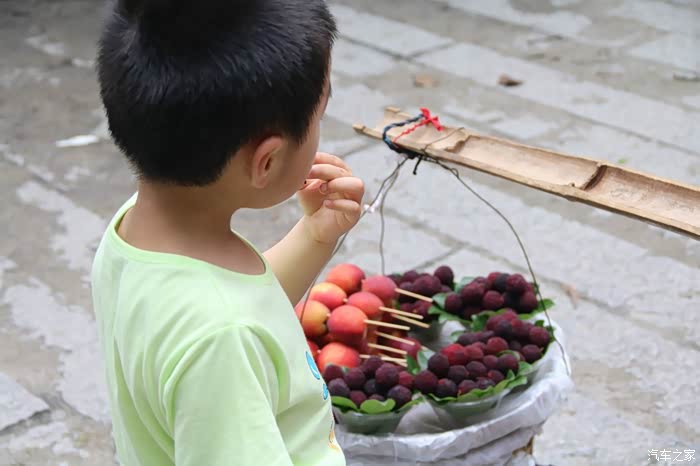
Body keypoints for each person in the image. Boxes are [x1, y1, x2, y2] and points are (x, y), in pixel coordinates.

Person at [91, 1, 363, 465]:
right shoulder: (221, 344)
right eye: (319, 117)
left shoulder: (135, 228)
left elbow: (243, 304)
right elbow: (228, 324)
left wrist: (315, 236)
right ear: (267, 161)